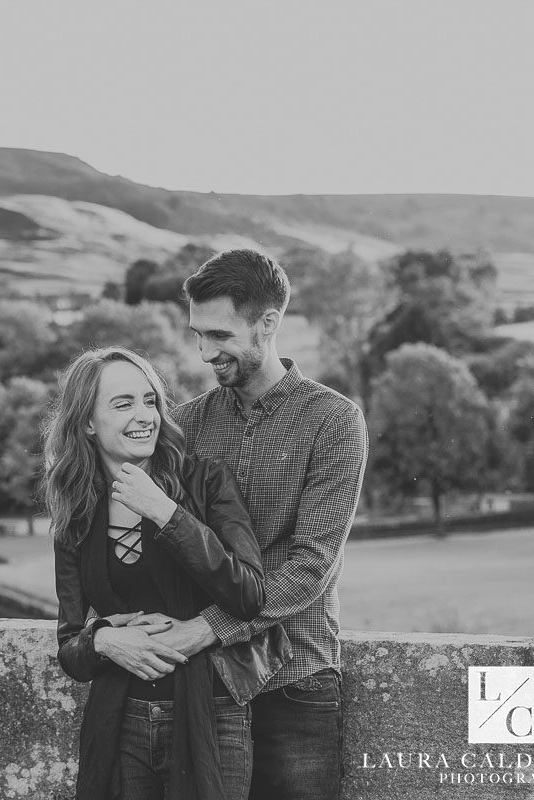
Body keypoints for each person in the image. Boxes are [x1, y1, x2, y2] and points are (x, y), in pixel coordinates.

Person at [139, 249, 368, 800]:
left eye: (219, 335)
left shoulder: (334, 420)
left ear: (268, 323)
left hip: (297, 678)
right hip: (206, 684)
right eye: (197, 334)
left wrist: (207, 627)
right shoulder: (188, 423)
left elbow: (309, 567)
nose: (204, 351)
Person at [46, 346, 291, 800]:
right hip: (120, 719)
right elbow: (70, 647)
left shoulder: (207, 482)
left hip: (212, 714)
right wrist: (102, 639)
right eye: (122, 404)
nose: (145, 416)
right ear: (86, 423)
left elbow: (250, 594)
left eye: (150, 400)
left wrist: (165, 512)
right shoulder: (76, 512)